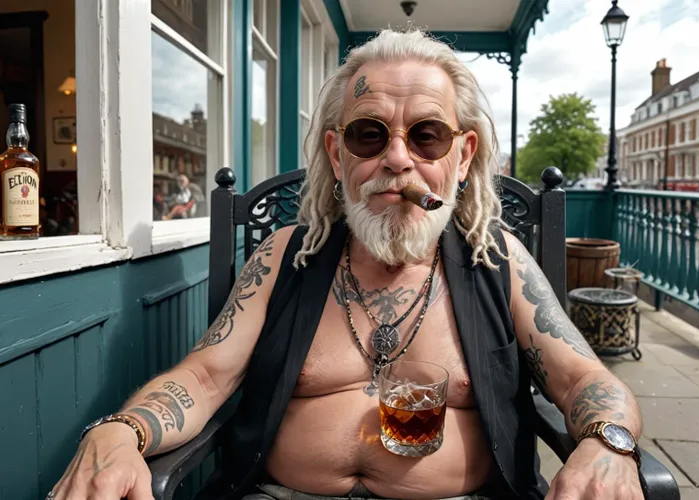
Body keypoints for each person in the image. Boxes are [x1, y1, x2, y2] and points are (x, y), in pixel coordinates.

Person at [50, 27, 644, 500]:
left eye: (427, 136)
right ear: (337, 155)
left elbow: (584, 380)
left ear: (462, 157)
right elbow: (205, 378)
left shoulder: (499, 261)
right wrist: (119, 431)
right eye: (368, 134)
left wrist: (608, 443)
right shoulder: (285, 255)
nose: (397, 159)